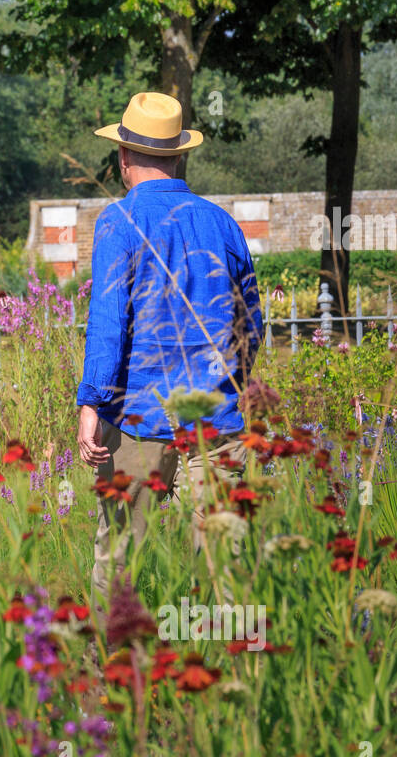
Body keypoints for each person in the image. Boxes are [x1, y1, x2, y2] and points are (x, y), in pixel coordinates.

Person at [75, 92, 262, 622]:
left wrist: (93, 404)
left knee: (121, 557)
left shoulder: (118, 220)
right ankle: (232, 681)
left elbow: (109, 323)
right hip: (216, 419)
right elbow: (252, 325)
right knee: (226, 564)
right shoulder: (222, 223)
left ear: (124, 158)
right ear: (179, 156)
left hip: (139, 420)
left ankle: (110, 679)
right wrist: (229, 385)